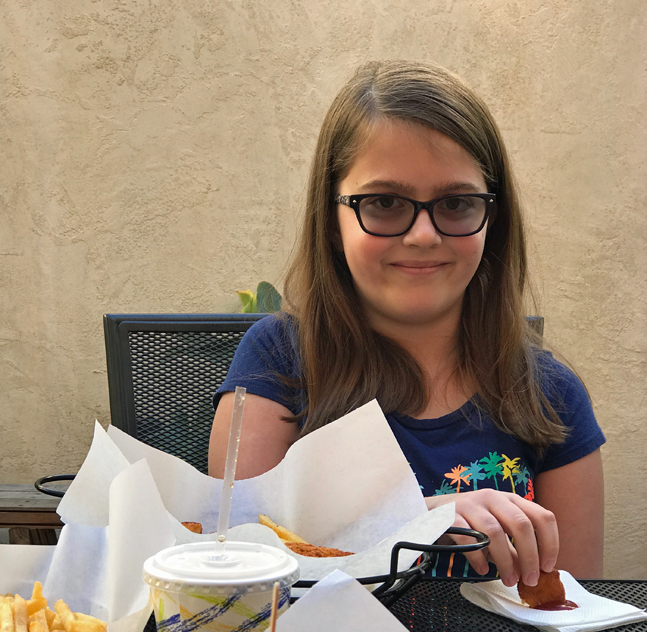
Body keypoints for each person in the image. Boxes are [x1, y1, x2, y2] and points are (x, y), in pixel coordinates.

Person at [209, 61, 605, 586]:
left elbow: (574, 606)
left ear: (493, 219)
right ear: (331, 218)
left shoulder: (550, 394)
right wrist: (421, 517)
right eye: (385, 203)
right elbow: (234, 563)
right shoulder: (279, 359)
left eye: (457, 203)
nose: (422, 235)